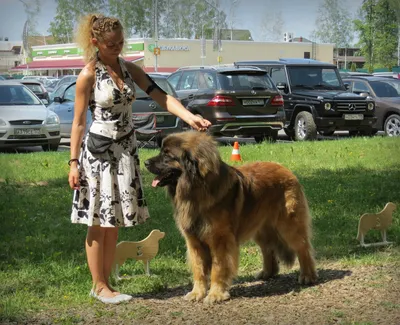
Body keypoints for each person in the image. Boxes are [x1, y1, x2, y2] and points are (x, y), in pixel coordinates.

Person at [68, 14, 211, 304]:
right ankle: (99, 285)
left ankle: (106, 285)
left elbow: (161, 97)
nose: (118, 47)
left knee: (114, 220)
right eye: (111, 44)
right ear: (95, 42)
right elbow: (78, 123)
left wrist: (190, 117)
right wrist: (73, 163)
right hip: (98, 154)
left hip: (125, 153)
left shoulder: (130, 69)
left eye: (121, 42)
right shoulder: (88, 75)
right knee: (97, 220)